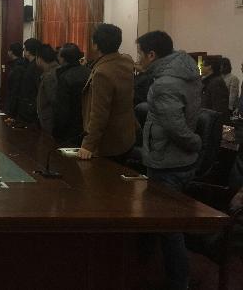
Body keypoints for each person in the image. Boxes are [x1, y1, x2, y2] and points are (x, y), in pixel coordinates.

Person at [136, 30, 202, 290]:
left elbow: (175, 127)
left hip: (168, 161)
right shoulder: (187, 73)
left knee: (168, 227)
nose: (138, 59)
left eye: (140, 54)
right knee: (168, 223)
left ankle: (179, 281)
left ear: (152, 55)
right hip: (181, 160)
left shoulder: (164, 83)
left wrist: (195, 143)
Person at [78, 24, 136, 161]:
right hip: (126, 135)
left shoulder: (102, 73)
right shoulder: (126, 61)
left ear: (95, 45)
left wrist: (88, 145)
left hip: (109, 141)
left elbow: (99, 114)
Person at [53, 43, 90, 146]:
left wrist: (56, 131)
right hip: (87, 124)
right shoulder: (89, 72)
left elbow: (62, 108)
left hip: (69, 128)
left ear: (63, 58)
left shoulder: (65, 77)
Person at [14, 38, 43, 126]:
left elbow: (37, 87)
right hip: (28, 105)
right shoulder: (29, 64)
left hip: (30, 107)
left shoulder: (35, 66)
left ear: (29, 51)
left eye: (25, 49)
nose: (23, 51)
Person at [35, 44, 59, 134]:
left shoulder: (50, 76)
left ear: (39, 59)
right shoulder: (56, 70)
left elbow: (54, 101)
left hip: (50, 123)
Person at [201, 55, 229, 123]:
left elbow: (218, 109)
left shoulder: (216, 82)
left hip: (212, 122)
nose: (201, 67)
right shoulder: (208, 81)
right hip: (207, 119)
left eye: (203, 65)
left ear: (209, 67)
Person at [4, 42, 27, 123]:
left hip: (16, 105)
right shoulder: (20, 64)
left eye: (9, 50)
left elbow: (15, 89)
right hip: (17, 103)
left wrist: (11, 108)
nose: (8, 52)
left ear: (11, 52)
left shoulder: (17, 67)